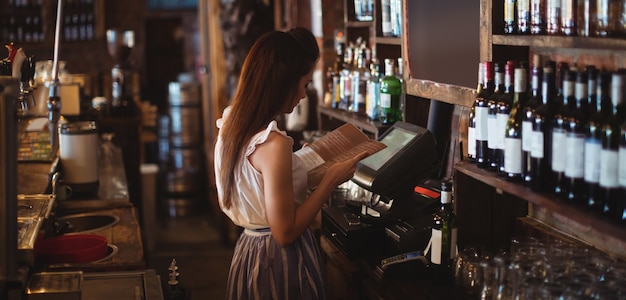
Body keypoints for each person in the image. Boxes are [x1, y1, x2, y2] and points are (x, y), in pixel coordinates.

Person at [214, 27, 369, 299]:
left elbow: (255, 184)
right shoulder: (273, 145)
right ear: (283, 82)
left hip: (250, 252)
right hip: (278, 259)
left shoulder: (231, 125)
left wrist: (297, 166)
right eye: (305, 84)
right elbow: (285, 232)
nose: (304, 95)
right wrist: (331, 178)